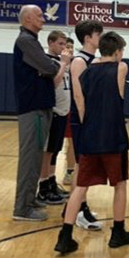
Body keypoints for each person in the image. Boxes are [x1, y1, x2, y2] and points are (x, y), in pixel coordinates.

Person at [54, 31, 129, 254]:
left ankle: (65, 236)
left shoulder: (86, 72)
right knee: (119, 185)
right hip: (113, 137)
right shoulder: (121, 67)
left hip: (90, 135)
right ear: (118, 51)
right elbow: (118, 66)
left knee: (80, 187)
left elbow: (80, 104)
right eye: (122, 51)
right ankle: (118, 232)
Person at [12, 5, 66, 221]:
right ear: (27, 20)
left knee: (35, 157)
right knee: (30, 158)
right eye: (39, 16)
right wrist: (50, 67)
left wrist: (46, 68)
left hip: (40, 106)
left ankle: (29, 198)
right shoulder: (25, 41)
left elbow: (46, 68)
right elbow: (50, 67)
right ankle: (22, 209)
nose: (44, 18)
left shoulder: (31, 41)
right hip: (32, 108)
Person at [67, 20, 104, 230]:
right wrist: (85, 121)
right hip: (83, 120)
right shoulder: (80, 61)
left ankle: (79, 205)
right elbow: (79, 96)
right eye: (98, 34)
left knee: (86, 167)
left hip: (92, 119)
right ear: (88, 37)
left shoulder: (94, 59)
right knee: (82, 167)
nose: (101, 37)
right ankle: (78, 212)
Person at [37, 31, 71, 205]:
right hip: (53, 111)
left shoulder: (61, 62)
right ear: (50, 43)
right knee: (47, 150)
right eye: (60, 44)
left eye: (65, 44)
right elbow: (53, 84)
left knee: (55, 151)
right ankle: (42, 187)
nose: (63, 47)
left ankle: (51, 181)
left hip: (63, 111)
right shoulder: (47, 61)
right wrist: (64, 65)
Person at [63, 38, 76, 186]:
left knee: (72, 142)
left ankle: (70, 171)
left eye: (71, 47)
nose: (70, 50)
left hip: (72, 108)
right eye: (67, 47)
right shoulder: (56, 65)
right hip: (58, 109)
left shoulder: (77, 66)